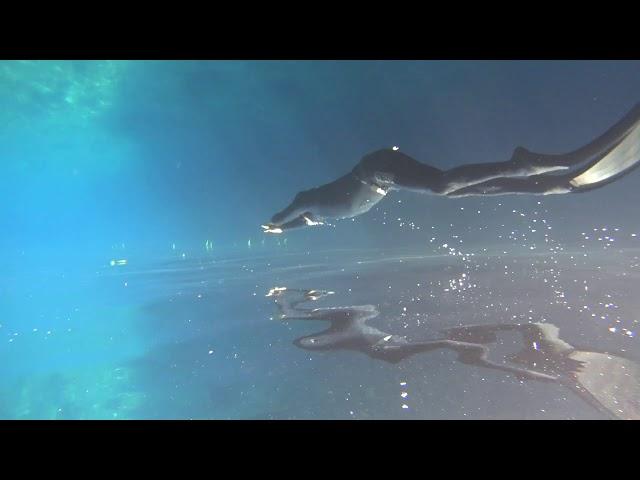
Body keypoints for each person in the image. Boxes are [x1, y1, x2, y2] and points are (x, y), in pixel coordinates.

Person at [267, 286, 640, 419]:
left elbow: (303, 326)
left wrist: (295, 301)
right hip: (389, 351)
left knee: (463, 348)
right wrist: (290, 300)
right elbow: (302, 329)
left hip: (389, 351)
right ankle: (538, 368)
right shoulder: (344, 321)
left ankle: (537, 368)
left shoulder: (341, 322)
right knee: (460, 347)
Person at [262, 104, 640, 234]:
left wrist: (278, 222)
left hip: (376, 170)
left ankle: (522, 166)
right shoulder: (317, 214)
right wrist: (288, 228)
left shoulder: (307, 200)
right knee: (460, 191)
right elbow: (301, 219)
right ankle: (546, 186)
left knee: (442, 187)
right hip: (385, 179)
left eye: (302, 220)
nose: (303, 220)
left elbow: (293, 205)